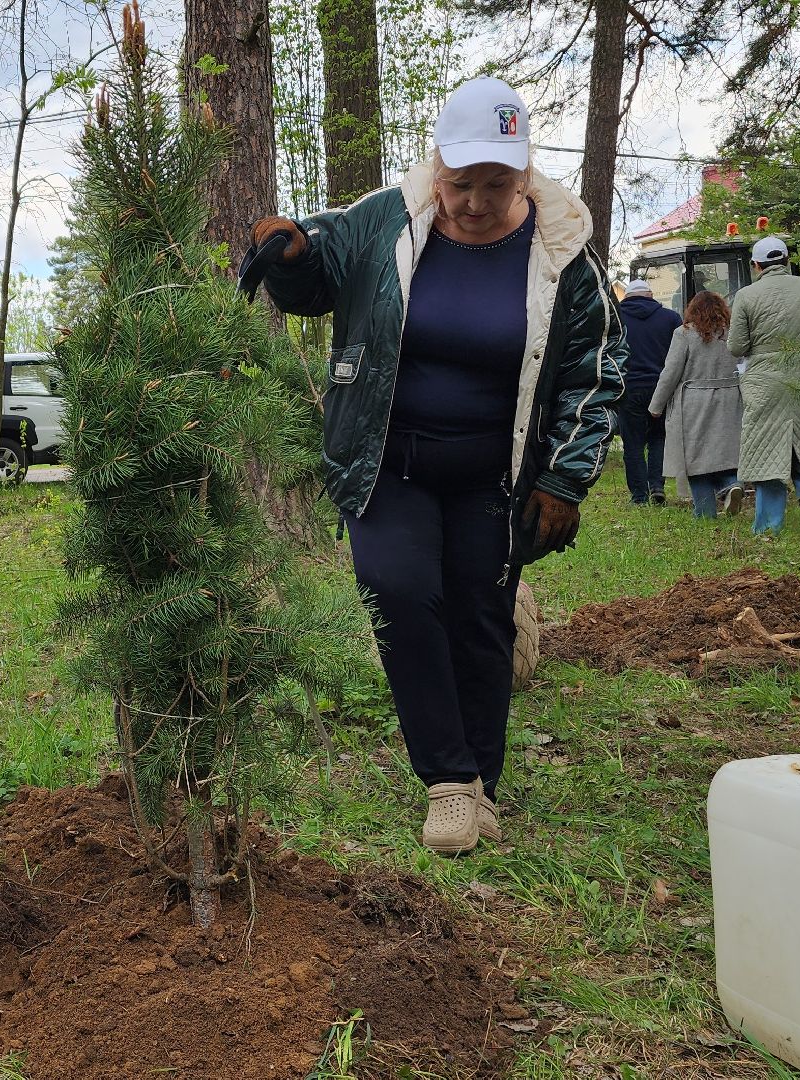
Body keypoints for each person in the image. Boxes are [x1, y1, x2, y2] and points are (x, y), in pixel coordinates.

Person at [251, 77, 624, 856]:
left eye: (498, 184)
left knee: (481, 617)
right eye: (461, 184)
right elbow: (317, 269)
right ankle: (449, 784)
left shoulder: (562, 255)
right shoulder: (387, 218)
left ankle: (483, 780)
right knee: (401, 592)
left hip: (497, 477)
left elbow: (596, 370)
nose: (477, 202)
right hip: (387, 462)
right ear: (436, 166)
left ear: (525, 173)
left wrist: (563, 477)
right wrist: (287, 254)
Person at [729, 236, 800, 535]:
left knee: (765, 447)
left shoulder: (746, 296)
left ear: (756, 265)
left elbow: (736, 346)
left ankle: (768, 526)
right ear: (787, 261)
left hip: (766, 379)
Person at [650, 291, 744, 519]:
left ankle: (705, 514)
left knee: (694, 460)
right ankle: (731, 485)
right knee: (726, 453)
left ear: (693, 310)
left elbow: (670, 373)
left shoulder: (684, 334)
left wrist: (656, 405)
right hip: (730, 399)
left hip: (693, 402)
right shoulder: (731, 333)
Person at [615, 279, 682, 505]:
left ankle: (639, 496)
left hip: (627, 388)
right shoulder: (671, 319)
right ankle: (656, 486)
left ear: (627, 297)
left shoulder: (616, 319)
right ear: (651, 296)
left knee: (632, 443)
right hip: (660, 387)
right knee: (658, 437)